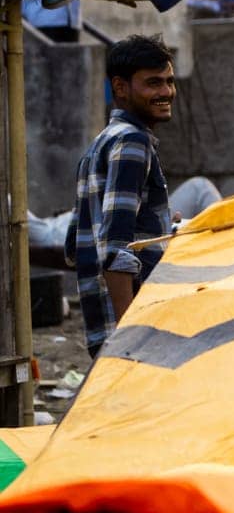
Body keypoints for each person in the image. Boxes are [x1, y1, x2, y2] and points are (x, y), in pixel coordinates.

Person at [67, 35, 175, 358]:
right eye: (153, 83)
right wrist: (130, 338)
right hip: (128, 331)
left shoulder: (102, 142)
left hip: (105, 327)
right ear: (121, 87)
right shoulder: (131, 143)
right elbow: (116, 249)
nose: (166, 92)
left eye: (169, 81)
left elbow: (75, 244)